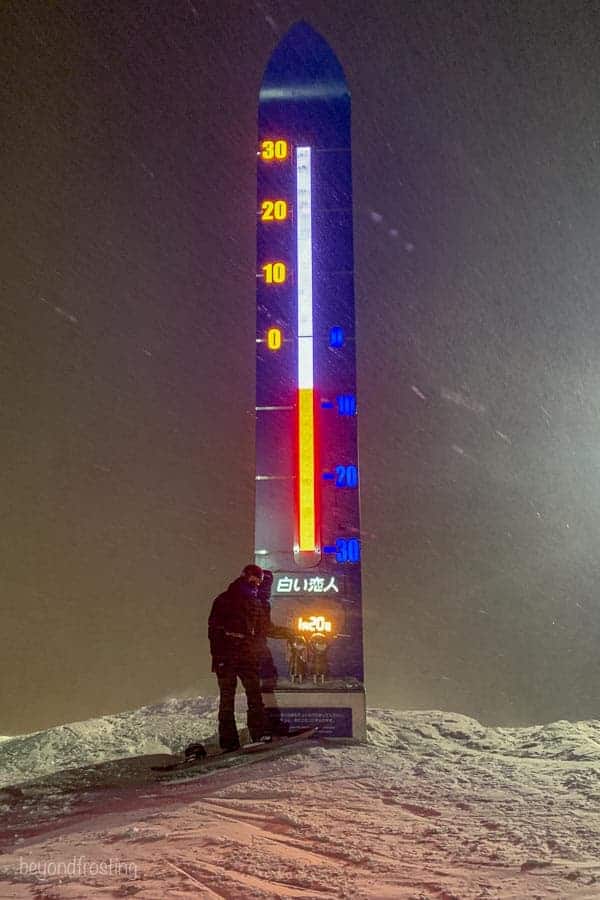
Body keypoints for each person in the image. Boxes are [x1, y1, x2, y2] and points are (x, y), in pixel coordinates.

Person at [208, 564, 291, 751]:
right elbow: (214, 631)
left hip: (247, 657)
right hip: (227, 656)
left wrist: (291, 633)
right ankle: (229, 743)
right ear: (244, 576)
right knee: (227, 700)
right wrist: (218, 657)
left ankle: (259, 733)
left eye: (258, 581)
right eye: (253, 579)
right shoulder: (225, 599)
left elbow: (266, 629)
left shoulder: (257, 603)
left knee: (255, 696)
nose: (255, 584)